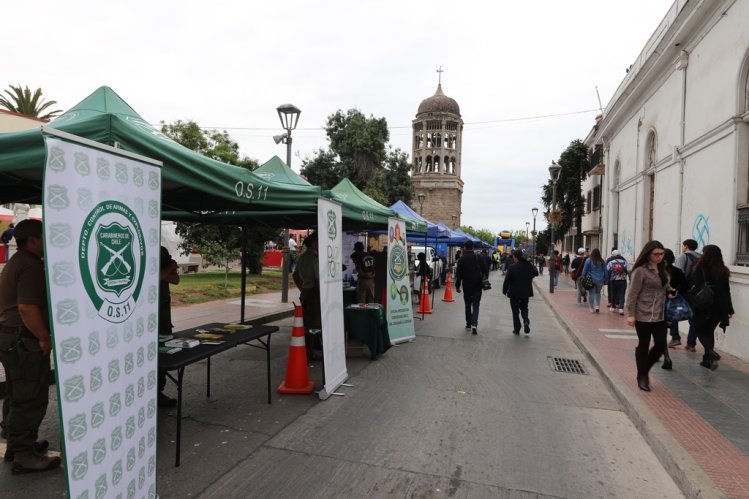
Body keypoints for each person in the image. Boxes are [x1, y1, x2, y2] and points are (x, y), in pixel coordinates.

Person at [0, 219, 62, 473]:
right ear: (33, 240)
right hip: (23, 339)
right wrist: (44, 337)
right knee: (30, 396)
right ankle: (24, 455)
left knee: (17, 393)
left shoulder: (17, 261)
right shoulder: (30, 265)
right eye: (44, 237)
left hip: (11, 338)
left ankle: (17, 444)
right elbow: (26, 307)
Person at [625, 240, 670, 392]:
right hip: (643, 313)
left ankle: (644, 371)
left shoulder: (664, 269)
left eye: (662, 254)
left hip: (660, 313)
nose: (660, 257)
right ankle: (642, 376)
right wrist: (631, 314)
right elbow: (633, 293)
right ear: (648, 254)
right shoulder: (641, 270)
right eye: (656, 254)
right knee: (644, 344)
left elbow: (665, 286)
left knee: (660, 344)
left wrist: (671, 290)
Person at [690, 245, 734, 370]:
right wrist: (730, 309)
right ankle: (707, 360)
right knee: (709, 331)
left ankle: (710, 352)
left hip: (704, 305)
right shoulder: (723, 270)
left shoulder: (700, 268)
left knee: (699, 329)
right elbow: (727, 291)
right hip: (720, 306)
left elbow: (696, 286)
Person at [292, 232, 322, 360]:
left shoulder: (303, 257)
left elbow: (295, 275)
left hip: (306, 292)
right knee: (314, 325)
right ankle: (309, 352)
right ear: (314, 243)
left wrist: (302, 288)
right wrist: (321, 296)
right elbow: (317, 281)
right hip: (314, 293)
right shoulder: (315, 259)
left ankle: (313, 347)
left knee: (308, 323)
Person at [158, 246, 179, 408]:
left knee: (163, 350)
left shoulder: (163, 256)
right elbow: (154, 277)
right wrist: (169, 268)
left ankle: (158, 391)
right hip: (150, 311)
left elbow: (176, 280)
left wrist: (166, 272)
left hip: (164, 311)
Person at [454, 241, 489, 335]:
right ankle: (474, 324)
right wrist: (484, 280)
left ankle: (468, 323)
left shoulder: (462, 259)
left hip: (467, 285)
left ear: (465, 247)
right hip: (478, 285)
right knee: (476, 305)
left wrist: (457, 286)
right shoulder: (480, 257)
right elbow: (486, 271)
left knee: (468, 304)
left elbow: (459, 274)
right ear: (473, 247)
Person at [674, 239, 701, 352]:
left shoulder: (682, 257)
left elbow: (678, 274)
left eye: (683, 245)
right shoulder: (701, 257)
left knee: (673, 313)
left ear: (686, 246)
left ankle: (675, 337)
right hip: (696, 291)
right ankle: (691, 344)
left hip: (683, 291)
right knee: (694, 317)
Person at [502, 249, 538, 335]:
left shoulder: (512, 267)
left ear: (515, 257)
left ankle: (517, 329)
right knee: (524, 307)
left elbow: (507, 280)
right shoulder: (529, 266)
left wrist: (504, 290)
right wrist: (531, 264)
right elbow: (536, 273)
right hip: (526, 292)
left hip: (514, 293)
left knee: (515, 311)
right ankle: (525, 320)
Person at [664, 249, 689, 348]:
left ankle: (674, 338)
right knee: (672, 317)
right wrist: (675, 290)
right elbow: (685, 285)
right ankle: (674, 337)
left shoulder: (657, 271)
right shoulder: (677, 271)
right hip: (673, 298)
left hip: (661, 300)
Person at [581, 248, 606, 313]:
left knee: (591, 293)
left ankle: (592, 308)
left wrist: (583, 276)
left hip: (591, 280)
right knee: (598, 293)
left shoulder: (588, 260)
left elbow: (584, 270)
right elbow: (605, 271)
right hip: (600, 280)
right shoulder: (602, 261)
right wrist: (606, 279)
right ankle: (597, 306)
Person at [605, 250, 628, 315]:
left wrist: (607, 279)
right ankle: (621, 308)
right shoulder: (624, 262)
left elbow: (607, 270)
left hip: (613, 281)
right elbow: (629, 270)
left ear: (614, 256)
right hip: (623, 280)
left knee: (613, 294)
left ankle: (613, 307)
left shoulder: (611, 262)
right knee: (622, 294)